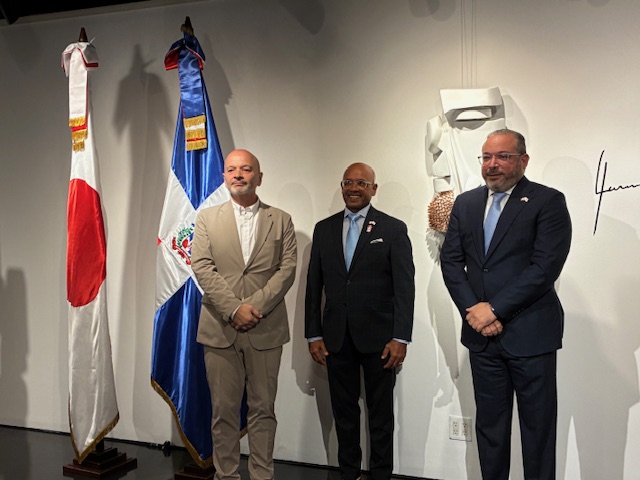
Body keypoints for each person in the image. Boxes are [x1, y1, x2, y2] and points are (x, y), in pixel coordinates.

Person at [440, 129, 572, 480]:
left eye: (502, 156)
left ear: (523, 160)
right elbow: (451, 262)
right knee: (490, 429)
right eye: (486, 157)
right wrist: (475, 311)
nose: (492, 164)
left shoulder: (547, 201)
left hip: (531, 335)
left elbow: (544, 268)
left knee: (538, 431)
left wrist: (494, 309)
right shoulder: (465, 203)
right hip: (483, 339)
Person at [191, 149, 297, 480]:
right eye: (232, 169)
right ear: (224, 176)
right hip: (219, 329)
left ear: (259, 177)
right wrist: (234, 309)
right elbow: (201, 267)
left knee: (263, 410)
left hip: (266, 329)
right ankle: (226, 476)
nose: (238, 174)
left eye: (246, 169)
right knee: (223, 412)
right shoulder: (206, 219)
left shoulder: (282, 219)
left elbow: (287, 269)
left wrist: (254, 308)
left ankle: (262, 475)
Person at [305, 162, 415, 480]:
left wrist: (401, 338)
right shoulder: (324, 229)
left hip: (381, 341)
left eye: (361, 183)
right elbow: (314, 286)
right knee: (344, 414)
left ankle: (380, 475)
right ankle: (348, 473)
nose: (353, 188)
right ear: (342, 187)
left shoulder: (392, 229)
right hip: (336, 338)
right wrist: (313, 334)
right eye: (348, 182)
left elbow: (405, 287)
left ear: (373, 189)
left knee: (381, 417)